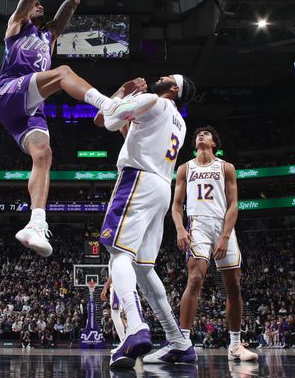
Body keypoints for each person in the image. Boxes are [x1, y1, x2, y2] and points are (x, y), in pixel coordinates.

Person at [0, 0, 136, 258]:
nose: (38, 5)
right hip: (7, 92)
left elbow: (72, 2)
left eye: (40, 5)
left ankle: (36, 223)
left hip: (29, 109)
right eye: (34, 4)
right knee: (64, 72)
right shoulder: (15, 25)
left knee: (44, 155)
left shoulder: (50, 36)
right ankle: (107, 105)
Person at [95, 74, 197, 369]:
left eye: (168, 77)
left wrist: (123, 90)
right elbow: (129, 133)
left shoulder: (156, 102)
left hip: (137, 179)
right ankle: (178, 341)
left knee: (118, 255)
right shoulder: (179, 120)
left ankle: (136, 326)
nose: (161, 76)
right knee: (143, 268)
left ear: (174, 89)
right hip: (160, 187)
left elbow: (106, 120)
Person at [172, 126, 257, 362]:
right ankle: (183, 342)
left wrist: (225, 236)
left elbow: (233, 204)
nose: (201, 135)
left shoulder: (226, 167)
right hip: (197, 224)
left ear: (214, 143)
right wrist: (180, 228)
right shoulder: (184, 168)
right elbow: (177, 205)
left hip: (222, 225)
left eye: (206, 134)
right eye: (198, 133)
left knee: (234, 286)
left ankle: (235, 345)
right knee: (195, 278)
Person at [100, 275, 126, 348]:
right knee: (121, 315)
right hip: (123, 285)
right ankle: (126, 341)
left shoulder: (115, 263)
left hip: (117, 286)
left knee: (115, 314)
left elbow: (113, 273)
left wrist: (105, 288)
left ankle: (124, 343)